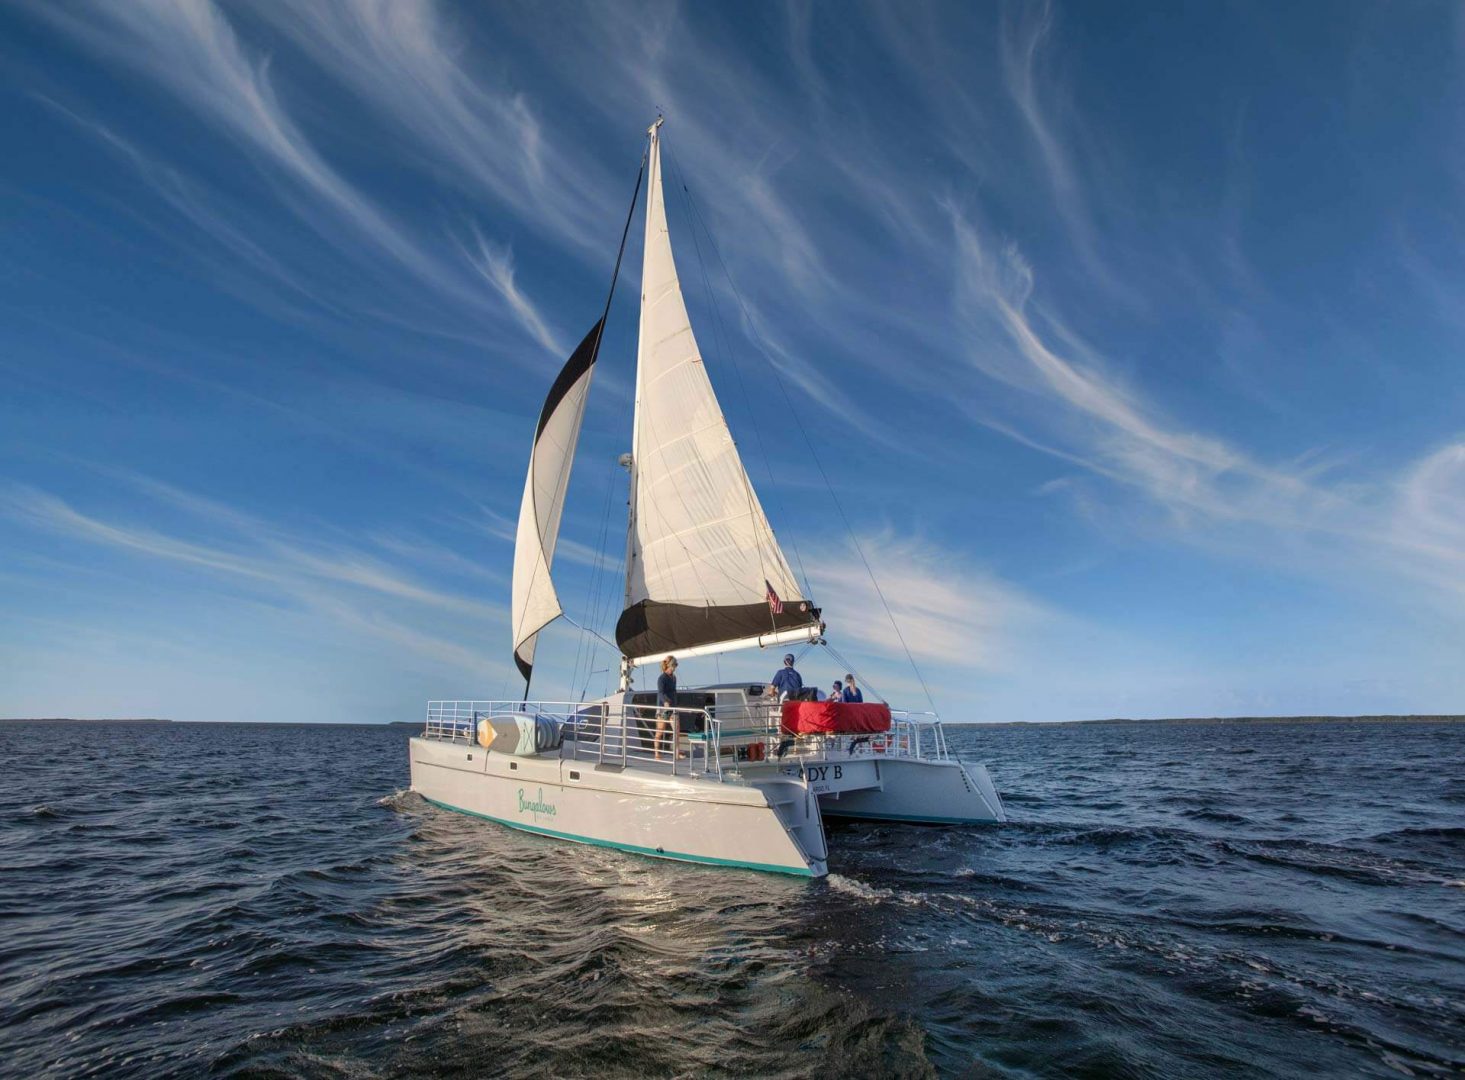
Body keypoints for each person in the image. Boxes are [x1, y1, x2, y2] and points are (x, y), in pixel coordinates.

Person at [654, 656, 678, 760]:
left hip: (672, 708)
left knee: (676, 729)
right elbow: (660, 693)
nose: (675, 668)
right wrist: (665, 702)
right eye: (674, 665)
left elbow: (673, 692)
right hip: (664, 708)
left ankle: (676, 753)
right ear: (669, 665)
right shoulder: (662, 678)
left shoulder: (674, 678)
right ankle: (656, 753)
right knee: (660, 731)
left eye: (675, 665)